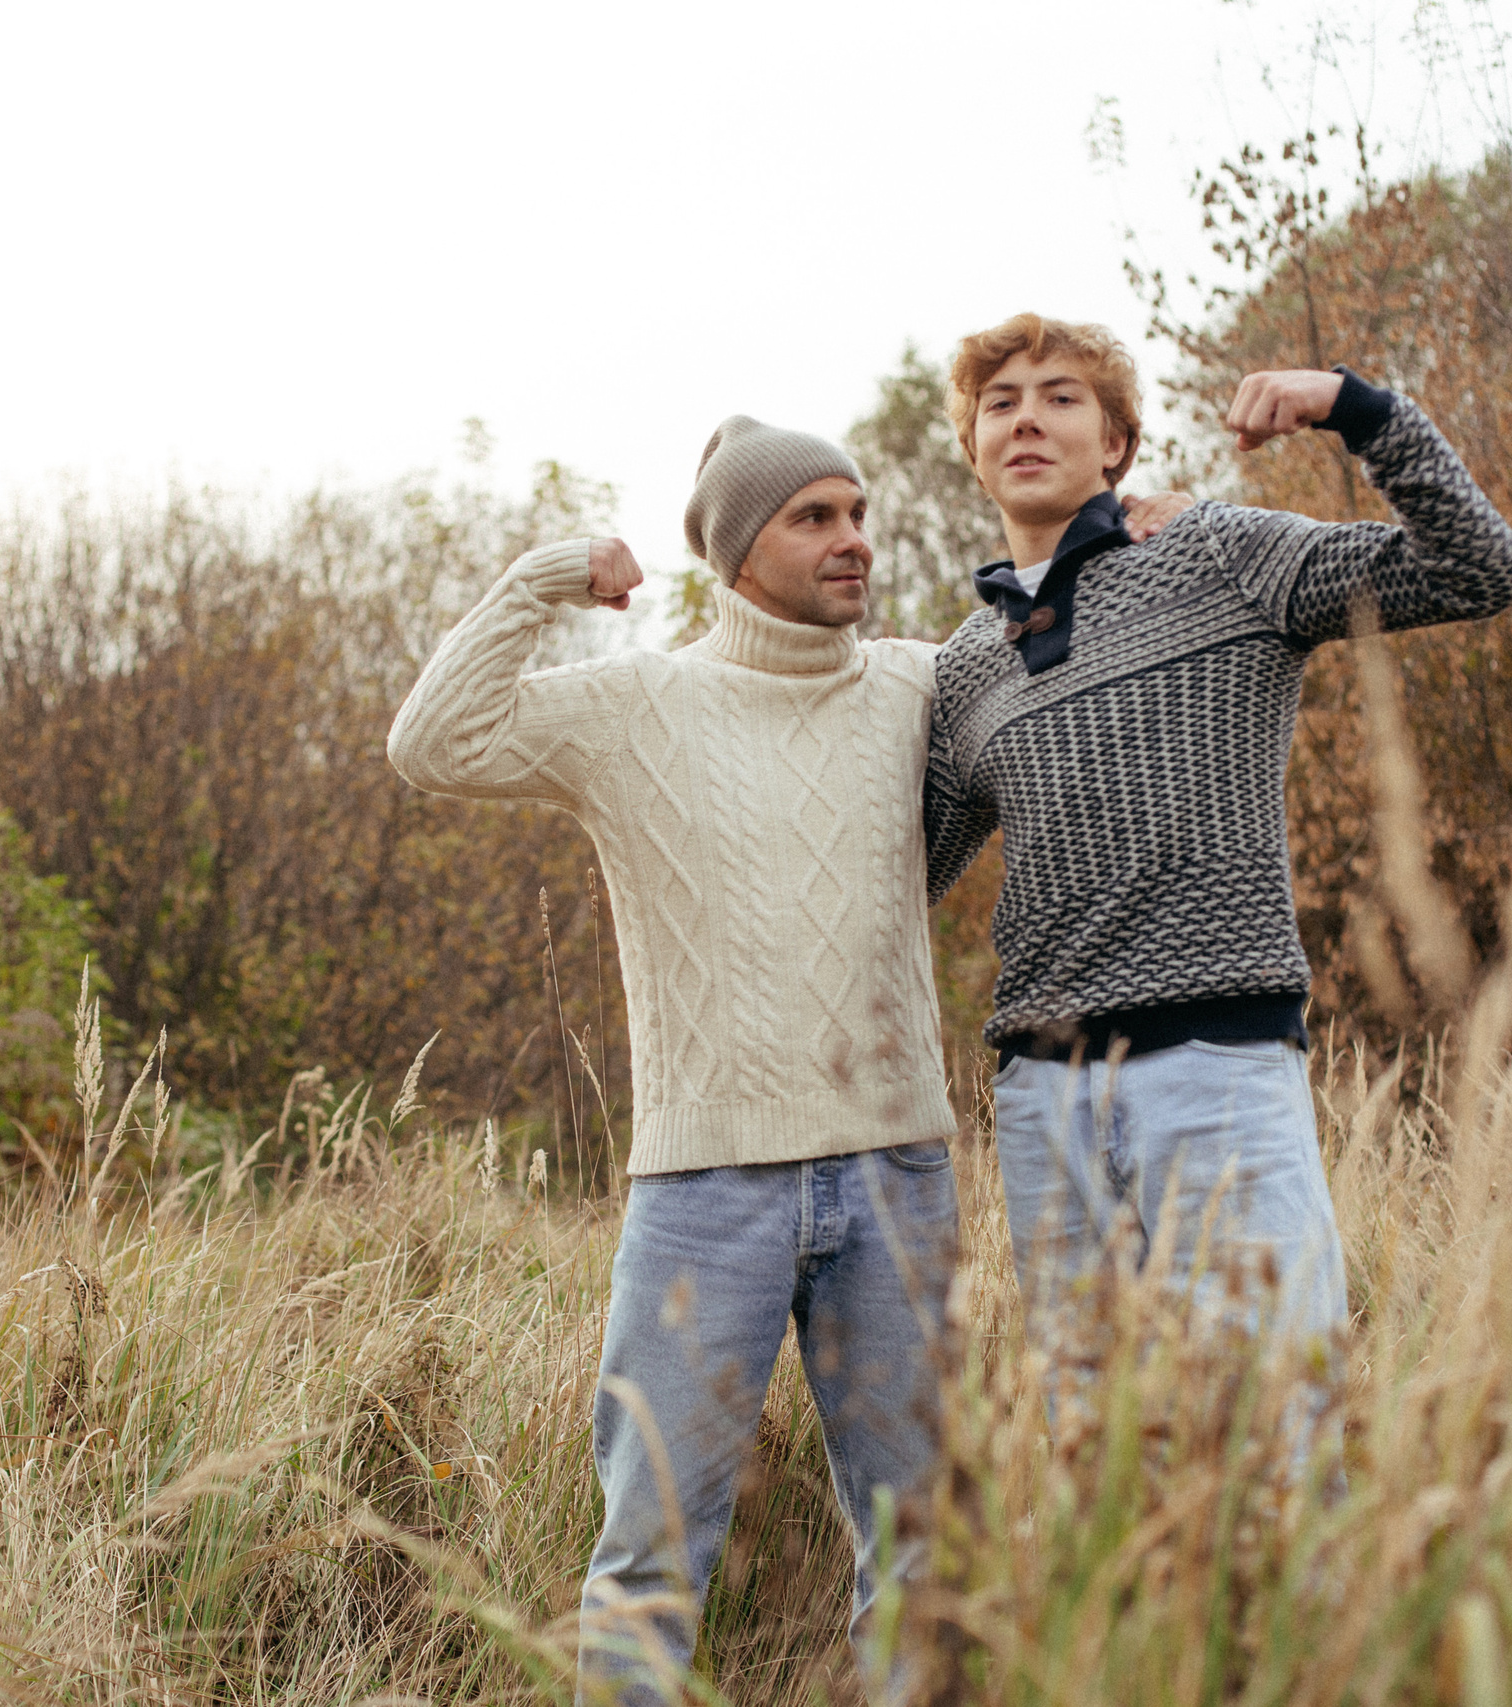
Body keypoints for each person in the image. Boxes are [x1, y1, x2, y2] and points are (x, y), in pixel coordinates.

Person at [390, 416, 970, 1704]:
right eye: (813, 517)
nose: (853, 540)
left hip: (895, 1176)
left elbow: (1066, 665)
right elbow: (432, 745)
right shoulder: (634, 706)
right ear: (730, 551)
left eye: (857, 512)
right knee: (650, 1560)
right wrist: (544, 577)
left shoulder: (915, 684)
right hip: (709, 1193)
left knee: (924, 1548)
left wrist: (1134, 536)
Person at [924, 313, 1512, 1423]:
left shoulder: (1217, 554)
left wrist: (1356, 408)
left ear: (1115, 443)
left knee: (1272, 1437)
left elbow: (1478, 568)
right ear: (971, 448)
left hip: (1212, 1068)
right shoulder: (964, 666)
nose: (1025, 417)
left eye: (1061, 396)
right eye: (999, 402)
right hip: (1041, 1102)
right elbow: (891, 880)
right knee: (1098, 1461)